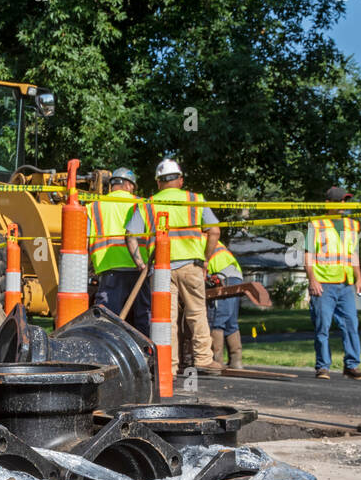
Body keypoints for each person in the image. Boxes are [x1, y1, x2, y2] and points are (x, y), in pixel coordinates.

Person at [125, 158, 223, 374]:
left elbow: (131, 236)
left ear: (158, 183)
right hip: (191, 267)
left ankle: (167, 365)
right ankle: (204, 360)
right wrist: (206, 259)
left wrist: (140, 263)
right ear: (180, 180)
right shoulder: (195, 200)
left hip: (161, 270)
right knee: (196, 313)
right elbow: (214, 230)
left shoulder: (147, 204)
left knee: (165, 319)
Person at [306, 187, 361, 379]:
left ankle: (351, 366)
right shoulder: (316, 225)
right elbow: (308, 255)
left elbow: (353, 254)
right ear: (328, 203)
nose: (343, 205)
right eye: (339, 201)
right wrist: (312, 280)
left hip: (344, 285)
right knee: (322, 326)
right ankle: (323, 367)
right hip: (323, 285)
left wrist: (359, 277)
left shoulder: (352, 225)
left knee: (351, 324)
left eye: (345, 201)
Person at [88, 167, 150, 335]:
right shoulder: (142, 203)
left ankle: (106, 351)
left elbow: (84, 240)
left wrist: (90, 267)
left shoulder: (94, 206)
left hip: (109, 269)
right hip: (139, 268)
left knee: (108, 317)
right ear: (129, 185)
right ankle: (147, 354)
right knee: (143, 316)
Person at [205, 240, 244, 368]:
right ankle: (236, 361)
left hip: (222, 275)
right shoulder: (210, 238)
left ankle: (216, 362)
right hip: (235, 276)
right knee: (230, 322)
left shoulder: (195, 239)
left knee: (217, 320)